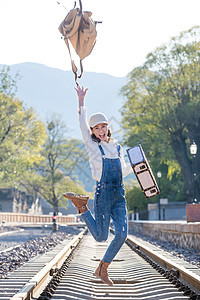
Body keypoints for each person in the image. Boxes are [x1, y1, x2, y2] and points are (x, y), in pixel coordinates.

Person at [63, 85, 132, 286]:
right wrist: (81, 101)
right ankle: (82, 207)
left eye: (103, 127)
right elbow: (82, 124)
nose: (100, 131)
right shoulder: (93, 145)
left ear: (108, 127)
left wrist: (137, 167)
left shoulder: (118, 147)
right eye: (96, 128)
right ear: (92, 131)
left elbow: (123, 170)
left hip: (119, 195)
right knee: (101, 237)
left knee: (122, 234)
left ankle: (102, 268)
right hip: (102, 195)